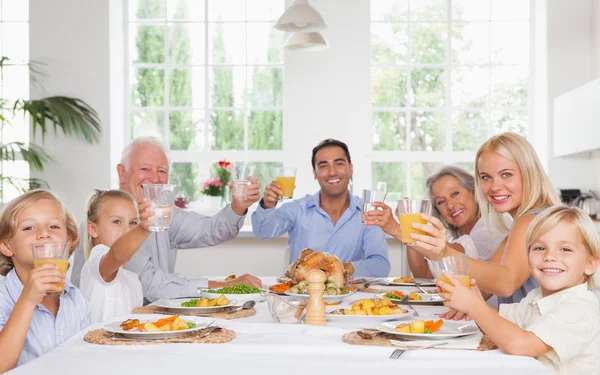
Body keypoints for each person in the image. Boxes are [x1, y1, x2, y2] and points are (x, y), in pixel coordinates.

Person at [366, 133, 561, 317]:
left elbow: (505, 282)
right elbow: (485, 289)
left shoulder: (531, 221)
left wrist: (441, 252)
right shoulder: (525, 223)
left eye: (506, 174)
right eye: (486, 177)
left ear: (529, 173)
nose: (494, 186)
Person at [70, 137, 262, 303]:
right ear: (122, 173)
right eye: (145, 168)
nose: (155, 178)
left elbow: (210, 230)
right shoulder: (107, 221)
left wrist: (238, 206)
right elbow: (153, 286)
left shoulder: (162, 211)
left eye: (162, 171)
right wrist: (225, 287)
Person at [438, 205, 600, 374]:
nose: (549, 256)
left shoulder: (579, 308)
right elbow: (498, 326)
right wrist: (475, 299)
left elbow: (521, 345)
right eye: (539, 248)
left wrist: (473, 306)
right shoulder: (536, 297)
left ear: (590, 264)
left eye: (565, 249)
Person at [252, 138, 390, 277]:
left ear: (350, 168)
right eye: (323, 166)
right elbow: (263, 231)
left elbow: (380, 266)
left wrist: (338, 270)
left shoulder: (369, 213)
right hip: (302, 296)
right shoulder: (298, 210)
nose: (332, 172)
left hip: (351, 297)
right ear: (314, 173)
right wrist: (268, 205)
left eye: (339, 164)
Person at [0, 190, 90, 372]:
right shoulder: (3, 298)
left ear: (68, 240)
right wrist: (27, 300)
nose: (44, 234)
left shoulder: (75, 298)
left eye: (54, 227)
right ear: (7, 246)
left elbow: (85, 358)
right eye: (29, 228)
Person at [367, 166, 508, 279]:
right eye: (441, 202)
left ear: (474, 192)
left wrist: (399, 230)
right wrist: (408, 223)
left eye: (455, 194)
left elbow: (455, 254)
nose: (450, 205)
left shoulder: (492, 226)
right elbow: (423, 275)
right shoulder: (454, 237)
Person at [79, 190, 155, 323]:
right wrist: (144, 228)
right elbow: (116, 254)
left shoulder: (133, 280)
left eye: (133, 223)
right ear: (93, 229)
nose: (127, 230)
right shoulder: (96, 263)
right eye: (117, 221)